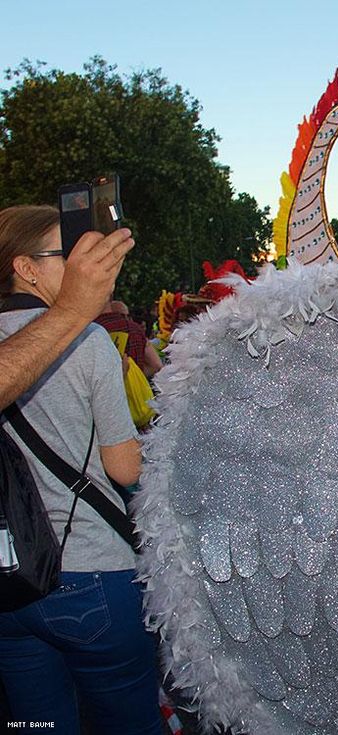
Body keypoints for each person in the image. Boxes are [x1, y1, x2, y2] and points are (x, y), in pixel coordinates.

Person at [0, 205, 159, 733]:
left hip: (9, 578)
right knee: (128, 721)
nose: (82, 264)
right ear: (26, 267)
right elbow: (123, 465)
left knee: (37, 724)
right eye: (65, 254)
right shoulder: (85, 340)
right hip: (89, 572)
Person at [0, 220, 133, 409]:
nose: (82, 264)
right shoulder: (89, 339)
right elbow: (119, 440)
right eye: (70, 254)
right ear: (27, 269)